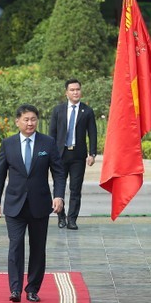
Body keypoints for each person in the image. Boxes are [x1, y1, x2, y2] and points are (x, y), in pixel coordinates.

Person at [0, 104, 65, 303]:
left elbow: (58, 172)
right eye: (26, 119)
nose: (30, 123)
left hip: (40, 204)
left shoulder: (47, 143)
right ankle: (15, 289)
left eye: (33, 119)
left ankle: (32, 288)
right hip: (14, 205)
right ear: (17, 122)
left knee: (38, 248)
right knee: (15, 246)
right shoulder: (8, 144)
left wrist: (59, 196)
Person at [49, 79, 97, 230]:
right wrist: (50, 153)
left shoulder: (87, 111)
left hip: (77, 155)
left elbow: (93, 133)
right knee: (59, 187)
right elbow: (52, 133)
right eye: (72, 90)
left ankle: (72, 219)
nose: (75, 92)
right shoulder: (58, 110)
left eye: (78, 89)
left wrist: (92, 153)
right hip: (60, 155)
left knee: (75, 188)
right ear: (66, 93)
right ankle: (61, 217)